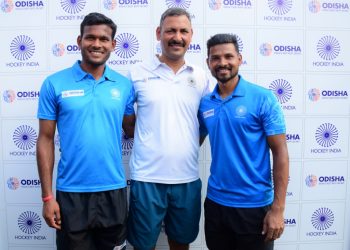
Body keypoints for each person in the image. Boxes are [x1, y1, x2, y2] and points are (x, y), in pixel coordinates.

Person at [36, 12, 133, 250]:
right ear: (79, 41)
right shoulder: (54, 83)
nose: (97, 44)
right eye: (90, 38)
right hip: (71, 193)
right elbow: (45, 139)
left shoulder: (124, 85)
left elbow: (133, 129)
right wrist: (48, 198)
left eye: (103, 39)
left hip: (114, 190)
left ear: (113, 44)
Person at [122, 7, 210, 250]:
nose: (177, 37)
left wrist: (184, 143)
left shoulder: (201, 76)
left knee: (181, 244)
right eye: (171, 30)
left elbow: (203, 124)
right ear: (159, 33)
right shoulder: (137, 73)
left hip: (187, 179)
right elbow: (128, 124)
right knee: (142, 246)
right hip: (147, 178)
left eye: (183, 31)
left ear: (191, 35)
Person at [198, 33, 289, 250]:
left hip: (254, 207)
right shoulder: (205, 104)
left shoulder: (263, 98)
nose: (222, 63)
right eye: (215, 58)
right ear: (208, 62)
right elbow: (193, 142)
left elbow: (280, 153)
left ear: (239, 58)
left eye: (228, 56)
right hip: (216, 204)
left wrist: (278, 209)